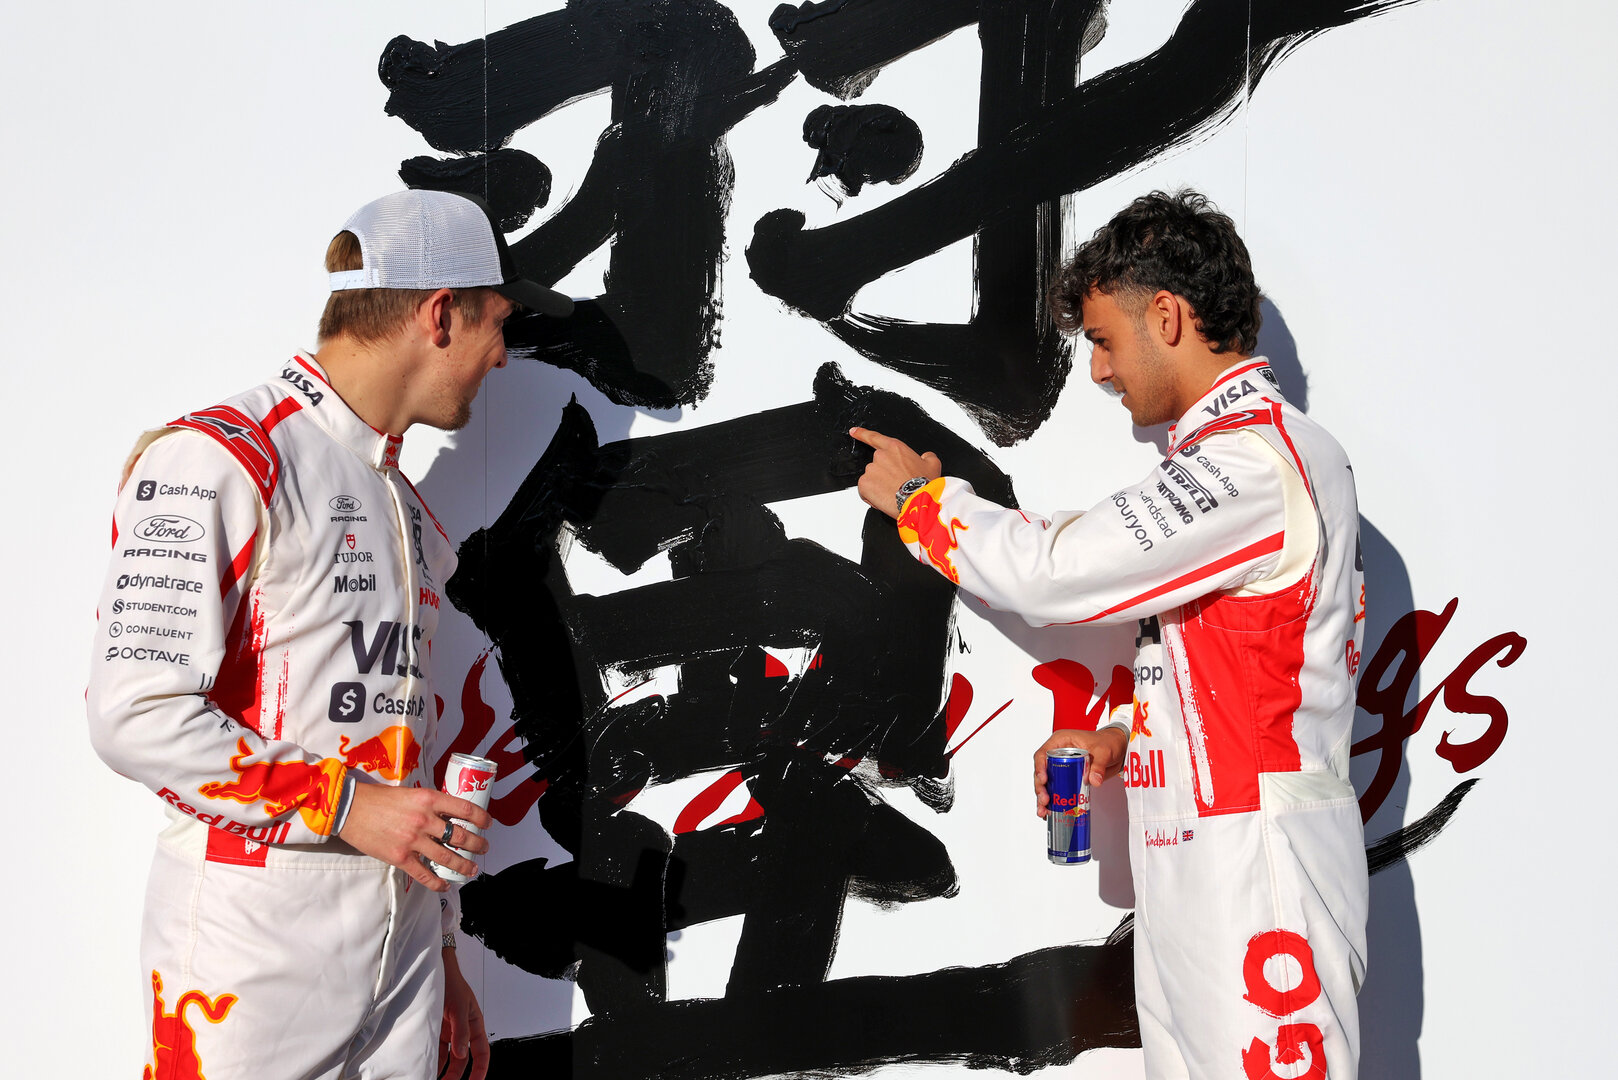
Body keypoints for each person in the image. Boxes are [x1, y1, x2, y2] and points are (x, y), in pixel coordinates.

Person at [851, 190, 1368, 1079]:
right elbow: (1233, 657)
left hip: (1257, 878)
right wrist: (1128, 736)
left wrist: (920, 504)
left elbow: (1059, 572)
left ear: (1166, 316)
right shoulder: (1230, 459)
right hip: (1206, 869)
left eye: (1102, 339)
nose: (1096, 370)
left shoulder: (1255, 461)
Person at [87, 189, 573, 1080]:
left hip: (401, 966)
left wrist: (446, 952)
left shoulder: (407, 510)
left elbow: (405, 742)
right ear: (439, 313)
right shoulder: (224, 456)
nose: (503, 357)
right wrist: (349, 806)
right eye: (497, 324)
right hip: (247, 964)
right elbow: (134, 713)